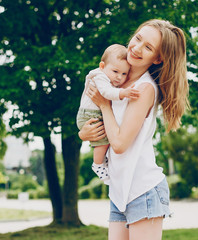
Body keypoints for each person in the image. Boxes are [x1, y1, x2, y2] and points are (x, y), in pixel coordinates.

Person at [78, 19, 189, 240]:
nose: (136, 47)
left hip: (143, 191)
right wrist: (84, 134)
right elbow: (97, 120)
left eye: (148, 47)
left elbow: (119, 144)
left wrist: (104, 104)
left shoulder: (144, 89)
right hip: (120, 192)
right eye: (138, 38)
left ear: (157, 58)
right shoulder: (116, 79)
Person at [76, 44, 140, 180]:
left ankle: (101, 161)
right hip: (90, 115)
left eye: (124, 74)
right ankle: (97, 164)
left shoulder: (107, 77)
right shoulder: (100, 76)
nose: (119, 77)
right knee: (104, 141)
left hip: (93, 114)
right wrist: (123, 93)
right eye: (115, 71)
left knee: (105, 140)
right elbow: (106, 92)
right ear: (102, 66)